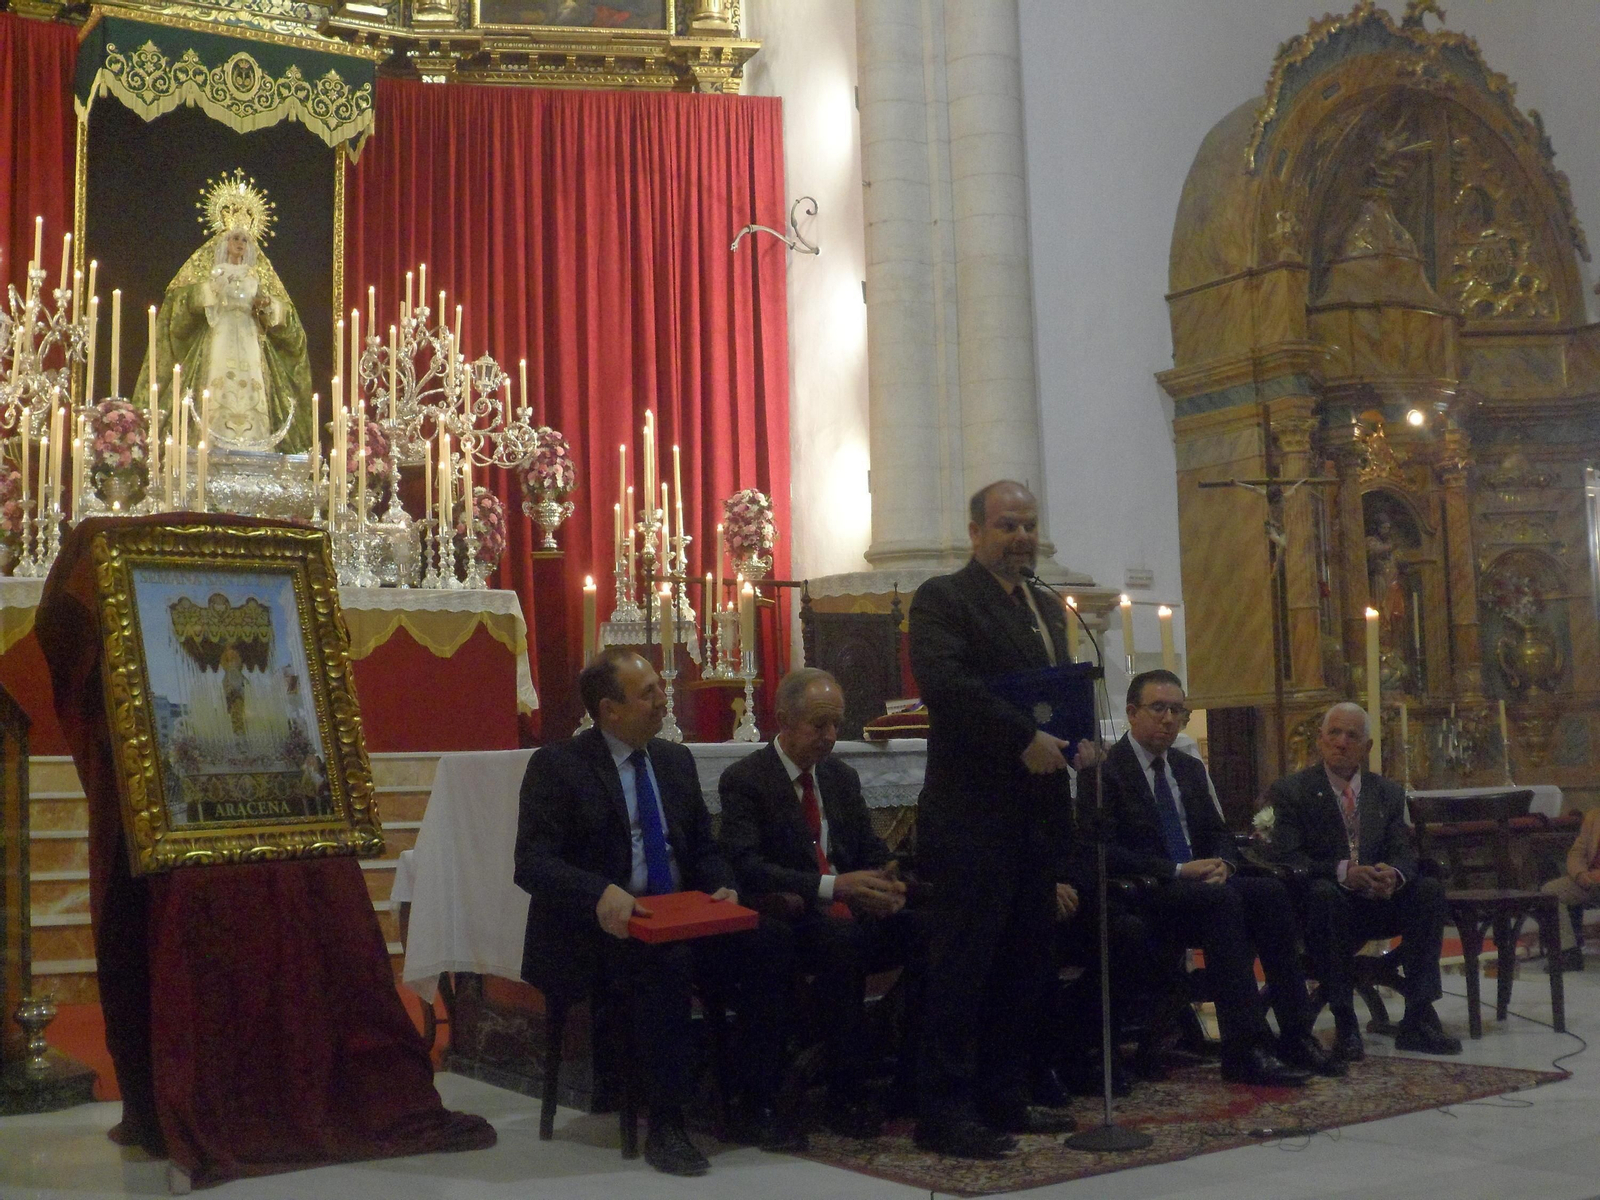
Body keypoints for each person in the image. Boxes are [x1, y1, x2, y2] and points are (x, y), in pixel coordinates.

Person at [513, 647, 799, 1177]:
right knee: (664, 966)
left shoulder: (673, 760)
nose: (662, 699)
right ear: (609, 709)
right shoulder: (558, 767)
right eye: (647, 693)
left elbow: (704, 849)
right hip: (599, 931)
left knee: (771, 943)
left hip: (681, 916)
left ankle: (753, 1102)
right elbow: (531, 864)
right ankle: (666, 1126)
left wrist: (723, 886)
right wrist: (601, 892)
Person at [908, 480, 1094, 1158]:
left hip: (1033, 817)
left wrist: (1077, 739)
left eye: (1028, 526)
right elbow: (949, 687)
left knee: (1024, 962)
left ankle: (1004, 1093)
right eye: (1007, 525)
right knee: (965, 966)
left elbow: (1052, 696)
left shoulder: (1040, 606)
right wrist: (1023, 740)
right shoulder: (943, 598)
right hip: (971, 815)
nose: (1020, 537)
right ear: (976, 531)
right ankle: (946, 1111)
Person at [1098, 669, 1340, 1085]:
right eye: (1159, 708)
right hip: (1149, 890)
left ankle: (1296, 1034)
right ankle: (1243, 1050)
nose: (1169, 719)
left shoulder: (1188, 769)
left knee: (1268, 892)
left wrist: (1225, 863)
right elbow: (1103, 850)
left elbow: (1218, 834)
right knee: (1223, 902)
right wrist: (1178, 869)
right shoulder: (1107, 771)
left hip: (1201, 884)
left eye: (1178, 711)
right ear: (1132, 713)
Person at [718, 667, 921, 1139]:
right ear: (784, 719)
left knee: (932, 931)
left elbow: (868, 850)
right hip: (799, 917)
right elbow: (747, 866)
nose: (831, 737)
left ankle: (907, 1076)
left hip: (853, 913)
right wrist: (834, 888)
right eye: (819, 725)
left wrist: (886, 880)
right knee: (843, 942)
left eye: (837, 725)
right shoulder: (747, 780)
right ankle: (846, 1091)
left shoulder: (839, 776)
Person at [1264, 701, 1462, 1059]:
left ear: (1367, 747)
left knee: (1428, 891)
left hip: (1377, 900)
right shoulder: (1294, 791)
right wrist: (1344, 872)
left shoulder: (1385, 792)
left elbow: (1403, 851)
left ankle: (1417, 1018)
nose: (1341, 742)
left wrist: (1395, 875)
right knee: (1325, 895)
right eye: (1334, 734)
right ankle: (1345, 1023)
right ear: (1320, 741)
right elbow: (1288, 858)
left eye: (1352, 736)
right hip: (1325, 903)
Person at [135, 198, 313, 453]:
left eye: (244, 240)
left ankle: (253, 443)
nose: (239, 245)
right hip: (222, 333)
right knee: (218, 378)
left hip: (249, 336)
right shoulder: (216, 272)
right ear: (225, 242)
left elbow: (279, 311)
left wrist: (267, 307)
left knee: (253, 382)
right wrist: (212, 291)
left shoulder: (255, 275)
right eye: (235, 239)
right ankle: (214, 438)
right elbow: (190, 304)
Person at [1540, 807, 1600, 973]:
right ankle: (1568, 952)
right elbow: (1577, 852)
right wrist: (1580, 873)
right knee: (1551, 891)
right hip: (1591, 880)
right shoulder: (1594, 816)